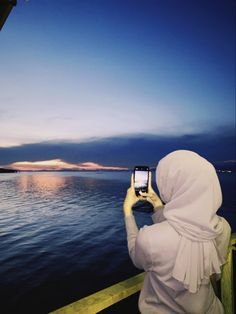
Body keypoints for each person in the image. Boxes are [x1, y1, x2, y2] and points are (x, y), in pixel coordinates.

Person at [123, 150, 231, 314]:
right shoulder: (222, 228)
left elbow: (136, 256)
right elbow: (183, 228)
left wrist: (127, 212)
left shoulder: (151, 238)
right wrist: (157, 204)